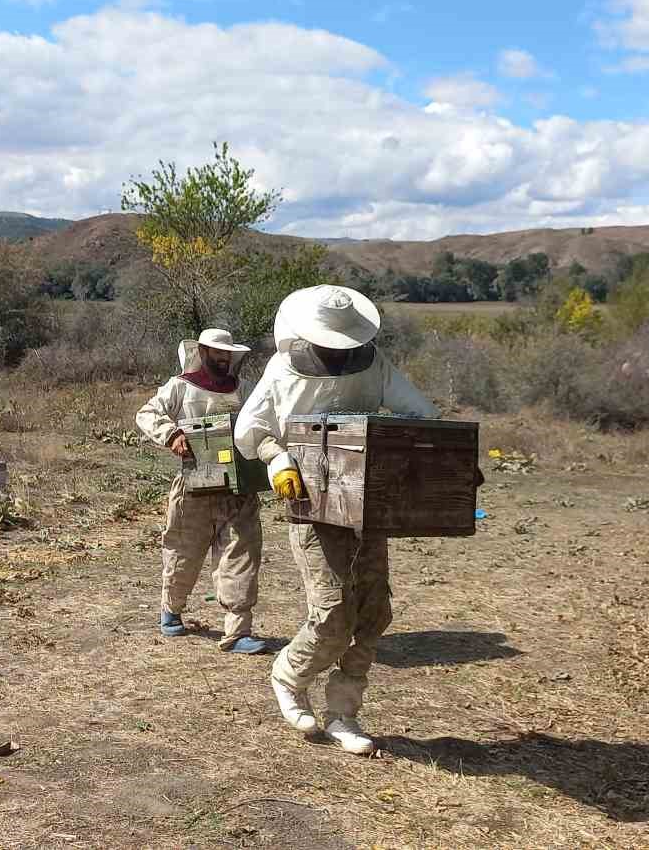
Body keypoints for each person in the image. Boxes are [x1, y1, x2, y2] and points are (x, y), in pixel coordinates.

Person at [235, 284, 477, 755]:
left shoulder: (374, 361)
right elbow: (250, 429)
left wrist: (428, 457)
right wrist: (276, 457)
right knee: (331, 613)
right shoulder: (283, 368)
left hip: (367, 505)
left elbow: (419, 412)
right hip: (311, 504)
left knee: (372, 613)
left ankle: (344, 712)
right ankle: (289, 675)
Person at [134, 327, 269, 655]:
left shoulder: (246, 389)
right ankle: (171, 611)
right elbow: (148, 413)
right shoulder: (180, 387)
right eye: (216, 352)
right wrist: (171, 434)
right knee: (183, 550)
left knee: (241, 554)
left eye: (227, 353)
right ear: (203, 352)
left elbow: (264, 420)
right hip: (195, 486)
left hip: (240, 487)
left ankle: (238, 632)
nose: (223, 358)